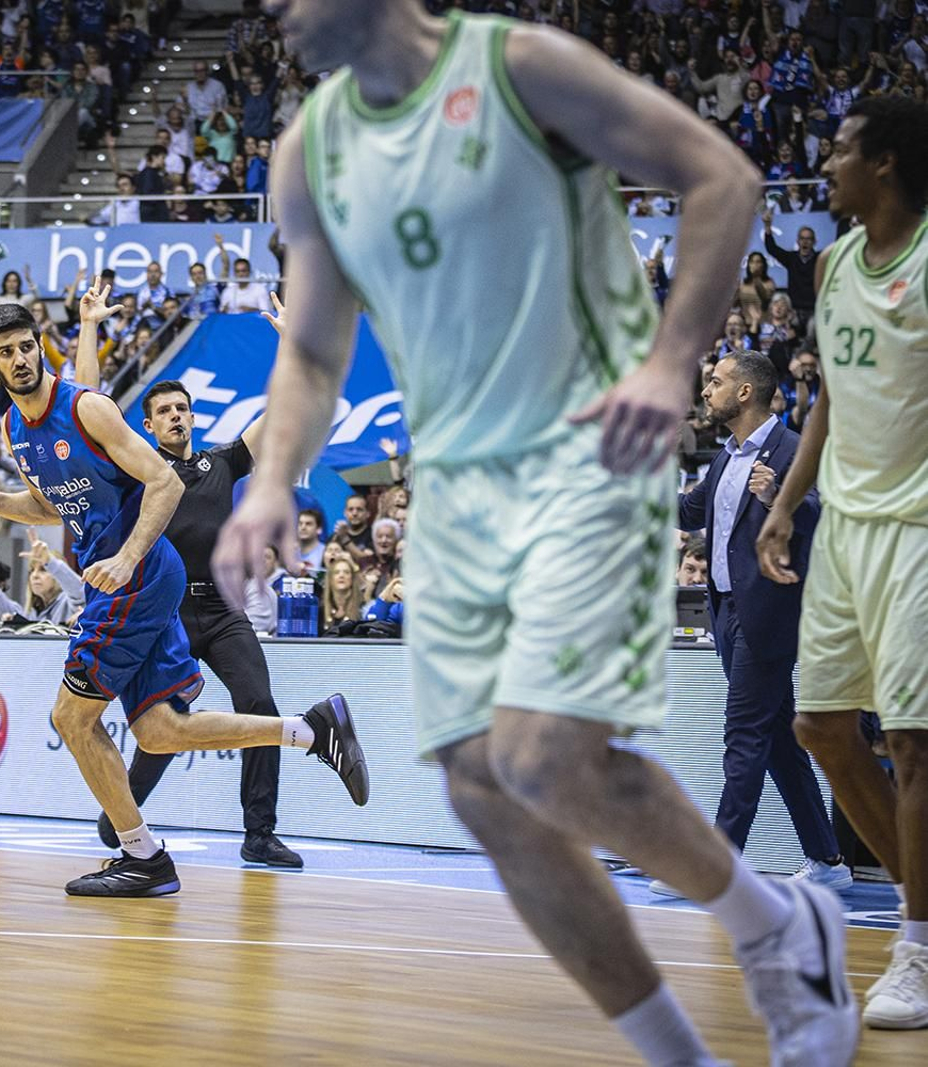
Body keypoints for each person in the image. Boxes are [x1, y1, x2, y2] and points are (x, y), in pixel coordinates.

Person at [211, 4, 854, 1064]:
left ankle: (775, 925)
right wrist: (272, 477)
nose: (275, 9)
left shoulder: (516, 67)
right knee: (481, 785)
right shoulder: (308, 152)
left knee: (545, 758)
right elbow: (314, 353)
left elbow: (722, 180)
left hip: (585, 451)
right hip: (457, 488)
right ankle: (680, 1047)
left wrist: (665, 362)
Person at [0, 302, 369, 898]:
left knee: (71, 717)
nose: (19, 358)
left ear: (41, 347)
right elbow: (47, 505)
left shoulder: (95, 410)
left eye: (27, 346)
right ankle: (312, 732)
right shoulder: (14, 428)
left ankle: (147, 854)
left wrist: (128, 557)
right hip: (140, 584)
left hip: (140, 580)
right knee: (160, 731)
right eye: (6, 351)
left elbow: (161, 482)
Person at [757, 95, 928, 1032]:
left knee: (912, 737)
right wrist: (785, 507)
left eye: (842, 150)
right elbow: (827, 396)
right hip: (846, 527)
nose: (826, 164)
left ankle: (919, 946)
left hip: (919, 525)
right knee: (821, 725)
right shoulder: (831, 263)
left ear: (889, 164)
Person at [75, 283, 302, 867]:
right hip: (163, 615)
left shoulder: (220, 462)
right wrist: (91, 327)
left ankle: (259, 833)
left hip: (222, 610)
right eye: (165, 412)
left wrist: (290, 344)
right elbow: (85, 403)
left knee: (261, 704)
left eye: (183, 409)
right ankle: (123, 817)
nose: (176, 416)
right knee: (165, 724)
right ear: (148, 428)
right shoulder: (138, 472)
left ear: (192, 418)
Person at [666, 351, 844, 897]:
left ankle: (716, 870)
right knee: (776, 743)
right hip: (725, 613)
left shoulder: (794, 451)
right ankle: (827, 858)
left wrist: (776, 500)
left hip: (769, 616)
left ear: (745, 392)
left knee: (743, 736)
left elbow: (819, 514)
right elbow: (690, 511)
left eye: (716, 382)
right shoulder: (724, 458)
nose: (707, 391)